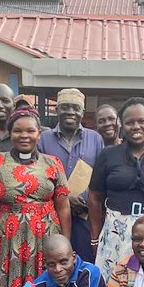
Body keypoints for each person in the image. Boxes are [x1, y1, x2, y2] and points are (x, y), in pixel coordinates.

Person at [0, 108, 72, 287]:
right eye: (17, 131)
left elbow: (63, 207)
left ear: (39, 133)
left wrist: (66, 243)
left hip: (46, 237)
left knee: (44, 285)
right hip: (8, 238)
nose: (24, 136)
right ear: (10, 133)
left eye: (30, 131)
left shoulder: (53, 163)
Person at [89, 97, 144, 278]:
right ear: (122, 125)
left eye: (142, 121)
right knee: (116, 283)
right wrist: (95, 237)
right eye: (130, 122)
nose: (136, 126)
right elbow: (95, 197)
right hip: (116, 230)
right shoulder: (108, 155)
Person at [37, 89, 104, 262]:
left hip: (86, 217)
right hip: (52, 218)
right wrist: (65, 198)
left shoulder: (95, 139)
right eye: (65, 107)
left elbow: (102, 177)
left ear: (82, 112)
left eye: (75, 108)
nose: (70, 112)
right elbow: (37, 179)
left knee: (85, 264)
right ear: (57, 109)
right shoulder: (43, 140)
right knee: (55, 265)